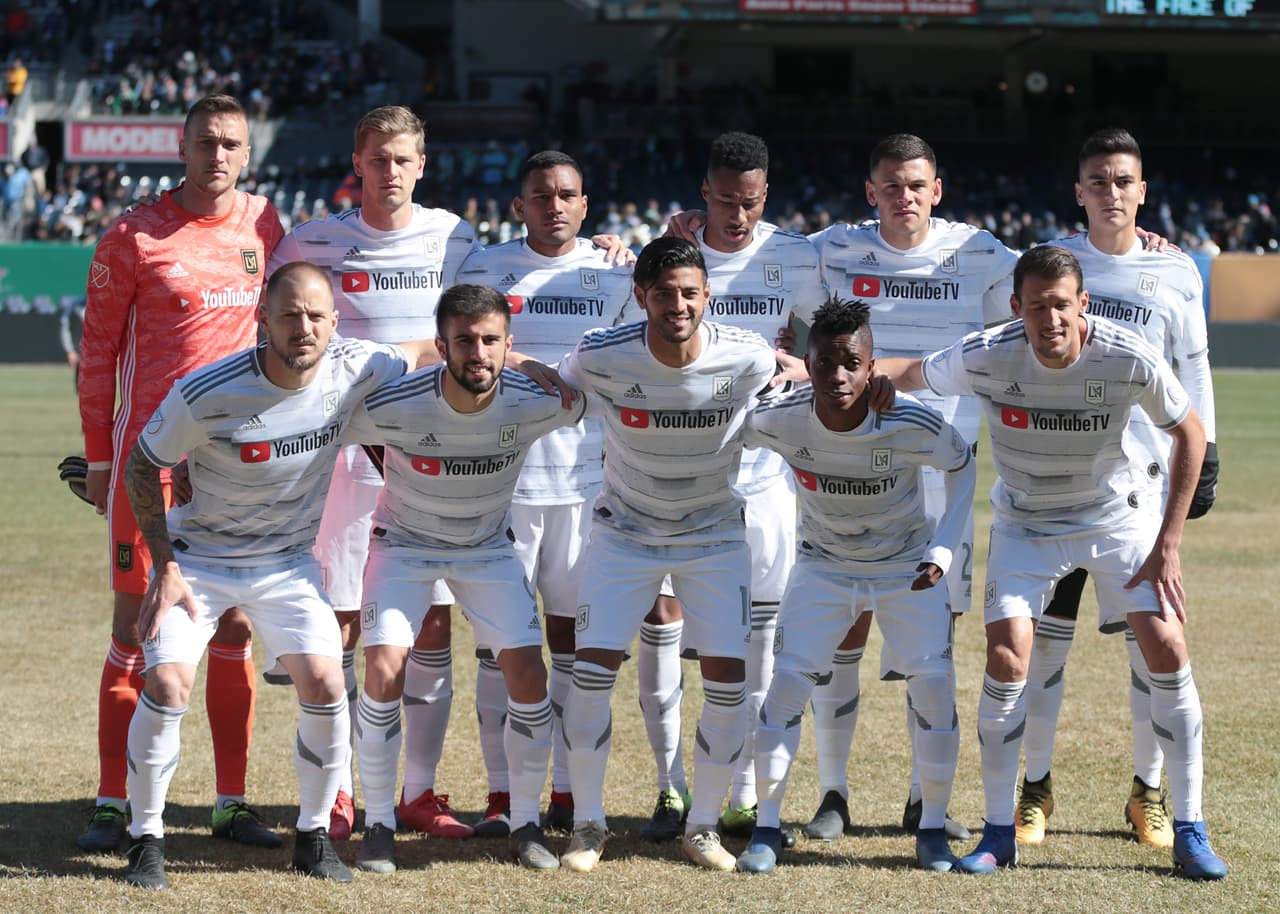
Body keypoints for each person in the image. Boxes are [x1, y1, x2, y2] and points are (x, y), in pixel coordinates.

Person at [879, 244, 1227, 880]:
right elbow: (909, 373)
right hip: (1027, 524)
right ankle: (997, 832)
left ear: (1082, 303)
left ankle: (1190, 827)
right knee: (1009, 653)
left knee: (1167, 646)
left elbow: (1191, 433)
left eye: (1062, 305)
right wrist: (824, 372)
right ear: (1018, 307)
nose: (1050, 319)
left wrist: (1167, 543)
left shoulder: (1126, 355)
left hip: (1115, 517)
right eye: (1036, 306)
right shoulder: (988, 351)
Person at [118, 262, 426, 888]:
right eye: (289, 314)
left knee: (325, 683)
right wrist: (166, 566)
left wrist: (526, 365)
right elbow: (143, 467)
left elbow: (430, 348)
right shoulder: (207, 390)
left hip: (286, 565)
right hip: (198, 561)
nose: (303, 327)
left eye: (316, 315)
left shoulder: (356, 366)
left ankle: (313, 836)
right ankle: (144, 837)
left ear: (335, 324)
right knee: (171, 687)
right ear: (263, 318)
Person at [76, 93, 284, 854]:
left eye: (231, 143)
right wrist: (101, 457)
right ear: (182, 145)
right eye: (206, 142)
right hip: (149, 466)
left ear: (248, 153)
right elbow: (98, 351)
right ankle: (110, 800)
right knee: (136, 624)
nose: (218, 155)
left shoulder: (266, 226)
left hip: (237, 467)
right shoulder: (133, 233)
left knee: (233, 623)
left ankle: (231, 801)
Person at [555, 236, 802, 873]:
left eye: (690, 292)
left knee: (728, 680)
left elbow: (794, 375)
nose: (677, 305)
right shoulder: (600, 354)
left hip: (714, 533)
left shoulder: (744, 355)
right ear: (640, 297)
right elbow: (557, 390)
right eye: (663, 294)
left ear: (707, 296)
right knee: (590, 676)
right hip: (625, 532)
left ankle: (702, 827)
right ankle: (587, 824)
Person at [268, 105, 480, 841]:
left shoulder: (456, 238)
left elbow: (474, 328)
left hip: (430, 458)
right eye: (376, 158)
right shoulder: (310, 241)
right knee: (340, 628)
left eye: (403, 159)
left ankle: (416, 792)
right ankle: (338, 794)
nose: (390, 171)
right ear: (355, 163)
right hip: (341, 465)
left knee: (429, 625)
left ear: (423, 164)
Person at [1014, 128, 1219, 849]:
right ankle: (1034, 788)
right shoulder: (1053, 265)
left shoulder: (1178, 272)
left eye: (1121, 180)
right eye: (1096, 180)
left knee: (1151, 649)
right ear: (1079, 192)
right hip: (1057, 479)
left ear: (1142, 190)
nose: (1110, 192)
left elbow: (1192, 371)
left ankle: (1149, 792)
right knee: (1045, 649)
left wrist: (1209, 456)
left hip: (1142, 489)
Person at [348, 285, 587, 874]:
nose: (477, 353)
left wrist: (534, 365)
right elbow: (322, 420)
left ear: (508, 345)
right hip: (403, 547)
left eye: (489, 341)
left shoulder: (535, 400)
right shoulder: (395, 402)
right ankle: (379, 822)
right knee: (382, 669)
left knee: (529, 674)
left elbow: (591, 404)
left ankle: (525, 821)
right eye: (463, 341)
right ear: (441, 346)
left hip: (485, 549)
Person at [734, 297, 974, 874]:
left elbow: (962, 466)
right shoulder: (782, 417)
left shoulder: (910, 419)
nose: (837, 377)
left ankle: (933, 829)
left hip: (904, 568)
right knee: (787, 686)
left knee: (935, 689)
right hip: (823, 566)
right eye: (825, 364)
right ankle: (767, 827)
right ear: (808, 364)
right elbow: (730, 439)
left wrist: (943, 548)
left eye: (851, 364)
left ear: (872, 368)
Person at [633, 132, 827, 843]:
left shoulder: (797, 256)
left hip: (763, 478)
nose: (736, 216)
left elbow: (840, 346)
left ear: (764, 195)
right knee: (662, 622)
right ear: (702, 193)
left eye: (748, 202)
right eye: (723, 201)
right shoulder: (672, 252)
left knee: (757, 639)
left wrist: (795, 367)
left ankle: (742, 791)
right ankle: (670, 787)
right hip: (673, 472)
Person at [454, 150, 634, 836]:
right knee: (501, 645)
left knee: (574, 645)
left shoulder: (617, 271)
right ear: (519, 205)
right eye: (541, 195)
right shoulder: (483, 269)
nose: (554, 205)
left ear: (586, 205)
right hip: (502, 488)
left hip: (588, 489)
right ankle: (501, 794)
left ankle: (564, 790)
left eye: (567, 195)